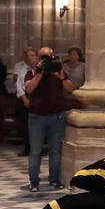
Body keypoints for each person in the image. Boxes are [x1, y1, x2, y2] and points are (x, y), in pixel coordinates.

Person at [23, 46, 76, 193]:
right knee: (35, 150)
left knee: (55, 150)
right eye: (43, 58)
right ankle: (34, 181)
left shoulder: (58, 72)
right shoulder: (32, 73)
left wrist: (62, 77)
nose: (46, 60)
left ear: (54, 58)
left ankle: (54, 179)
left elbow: (70, 89)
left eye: (49, 57)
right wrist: (39, 73)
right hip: (37, 117)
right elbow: (28, 89)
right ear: (38, 59)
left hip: (56, 116)